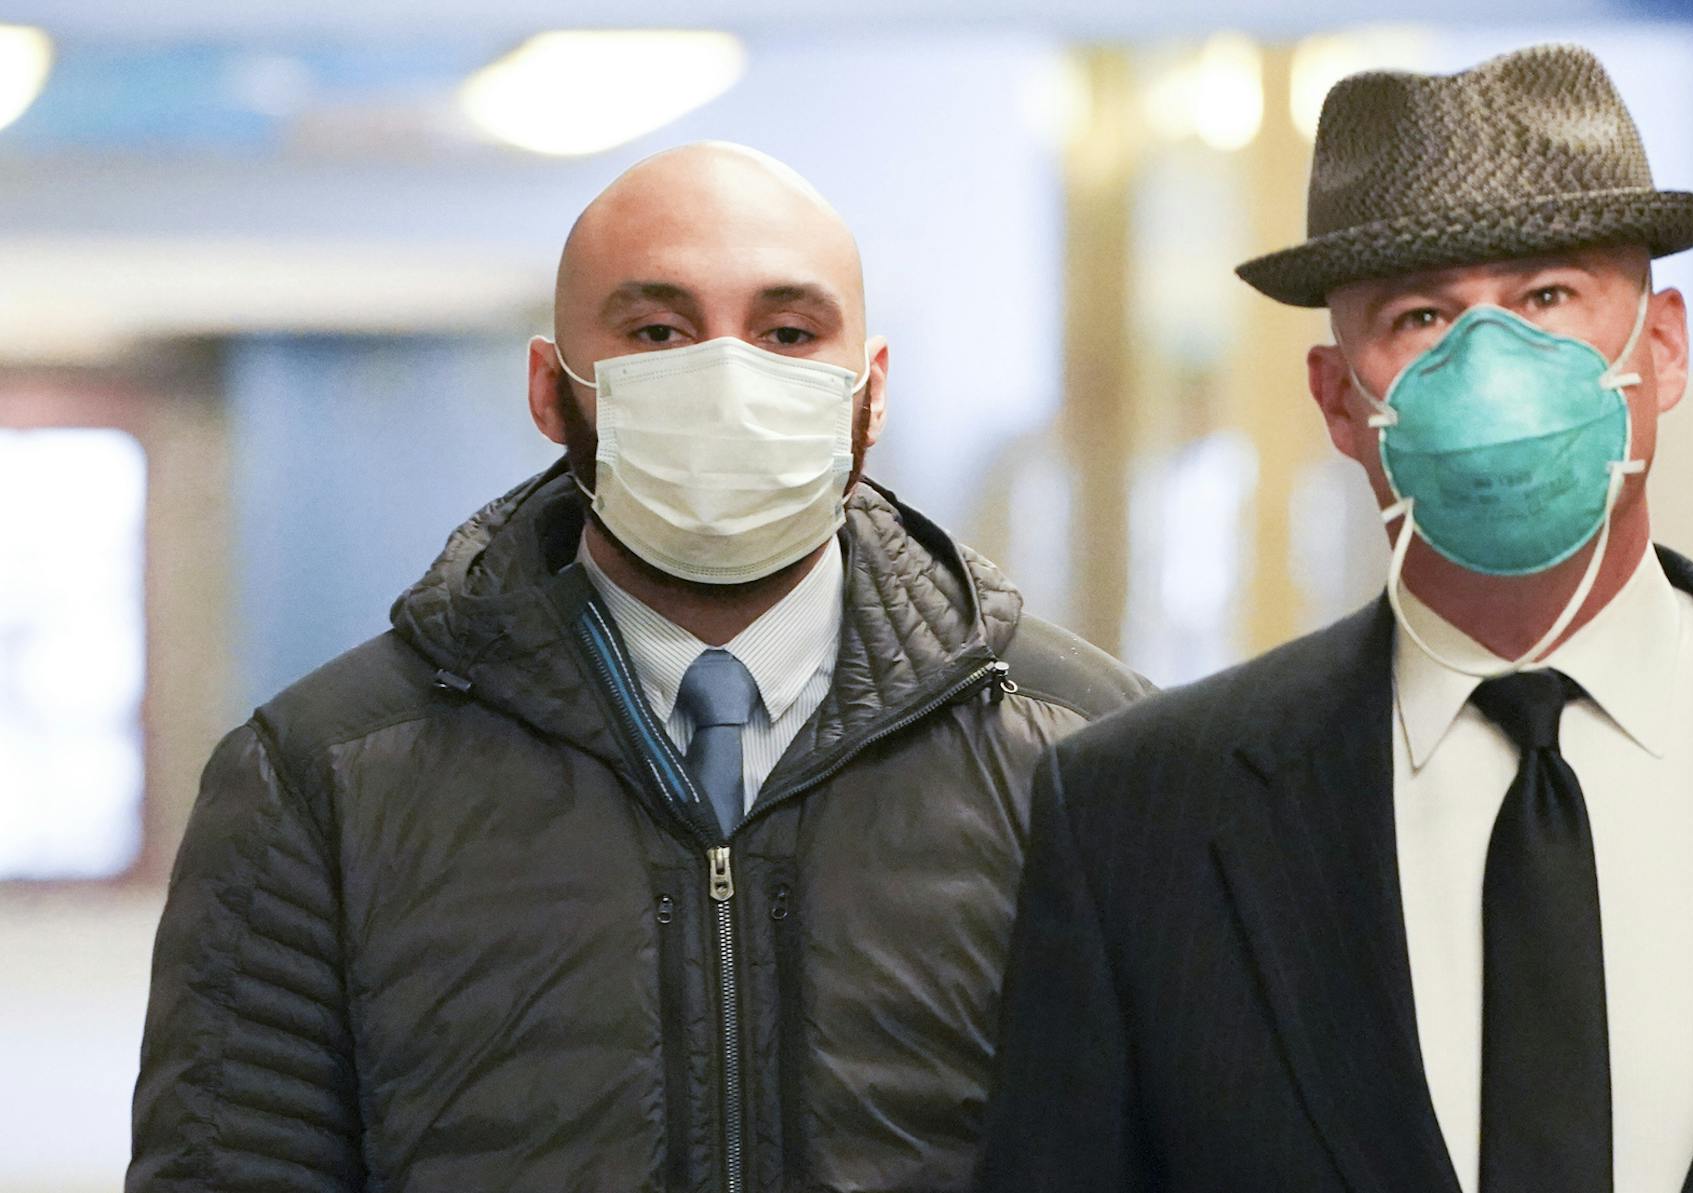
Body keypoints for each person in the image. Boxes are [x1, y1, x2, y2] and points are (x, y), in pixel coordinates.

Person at [979, 44, 1693, 1193]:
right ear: (1340, 400)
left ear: (1664, 348)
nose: (1492, 364)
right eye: (1422, 317)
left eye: (1548, 295)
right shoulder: (1139, 824)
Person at [128, 142, 1149, 1193]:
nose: (729, 381)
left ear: (870, 390)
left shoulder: (1093, 759)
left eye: (789, 333)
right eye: (658, 332)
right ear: (550, 388)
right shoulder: (321, 780)